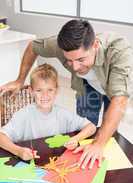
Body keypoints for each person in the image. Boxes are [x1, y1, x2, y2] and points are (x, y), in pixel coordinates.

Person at [0, 19, 132, 169]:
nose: (75, 67)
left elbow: (119, 101)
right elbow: (33, 47)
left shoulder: (120, 54)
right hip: (87, 87)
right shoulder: (58, 45)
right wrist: (20, 80)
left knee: (107, 136)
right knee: (85, 134)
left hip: (114, 91)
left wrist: (98, 144)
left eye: (81, 59)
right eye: (69, 60)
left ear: (95, 45)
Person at [0, 63, 96, 162]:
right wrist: (18, 151)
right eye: (39, 90)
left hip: (57, 162)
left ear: (56, 90)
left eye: (50, 90)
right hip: (30, 163)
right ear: (31, 91)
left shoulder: (62, 114)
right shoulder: (23, 115)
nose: (45, 95)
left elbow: (91, 127)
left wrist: (76, 138)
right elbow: (1, 136)